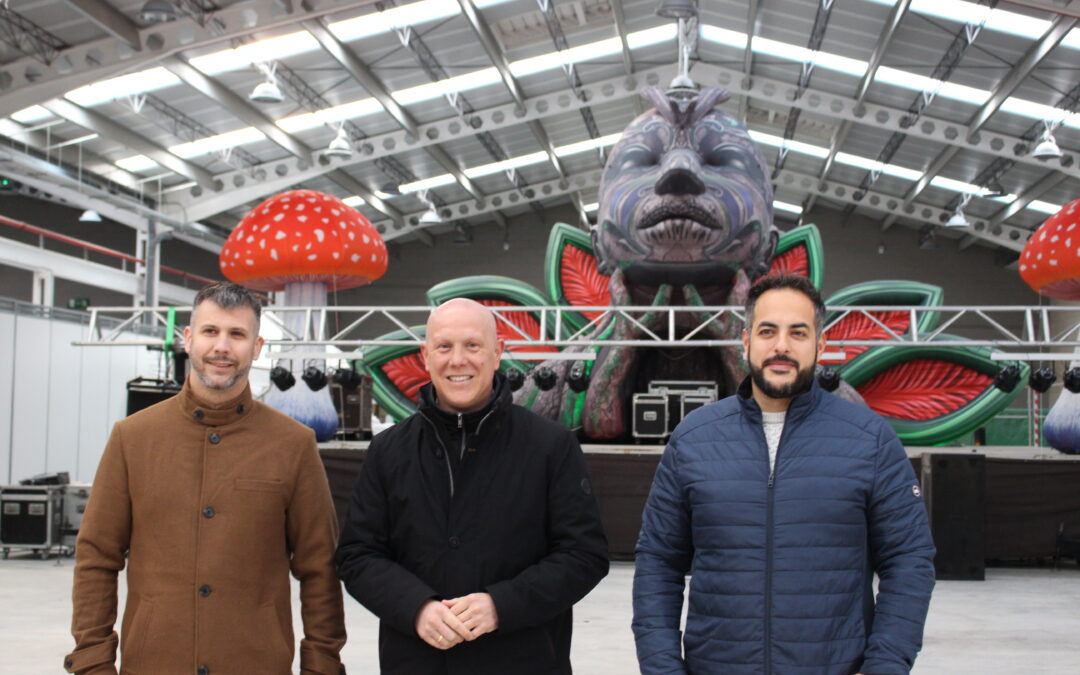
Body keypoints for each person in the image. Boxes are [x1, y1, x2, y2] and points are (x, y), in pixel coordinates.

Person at [632, 274, 935, 675]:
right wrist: (662, 669)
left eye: (798, 332)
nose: (781, 346)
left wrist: (885, 665)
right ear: (746, 341)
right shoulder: (694, 438)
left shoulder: (870, 439)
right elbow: (658, 563)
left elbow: (908, 560)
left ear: (820, 345)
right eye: (768, 331)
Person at [65, 282, 346, 675]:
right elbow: (97, 556)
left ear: (258, 347)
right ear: (188, 338)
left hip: (256, 664)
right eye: (211, 331)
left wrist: (322, 664)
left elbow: (320, 567)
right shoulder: (132, 438)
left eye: (237, 334)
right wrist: (92, 660)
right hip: (154, 664)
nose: (222, 348)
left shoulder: (293, 445)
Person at [336, 298, 609, 674]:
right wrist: (416, 607)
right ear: (426, 356)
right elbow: (358, 555)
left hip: (523, 661)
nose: (458, 360)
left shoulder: (551, 446)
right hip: (416, 662)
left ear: (497, 353)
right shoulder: (388, 450)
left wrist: (502, 605)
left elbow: (584, 555)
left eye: (473, 346)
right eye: (444, 347)